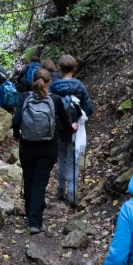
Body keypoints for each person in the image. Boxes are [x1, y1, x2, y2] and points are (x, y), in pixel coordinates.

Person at [12, 68, 76, 235]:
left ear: (33, 81)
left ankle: (30, 214)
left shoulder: (24, 97)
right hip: (48, 147)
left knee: (29, 179)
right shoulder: (54, 99)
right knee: (40, 182)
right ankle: (35, 222)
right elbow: (64, 121)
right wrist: (72, 128)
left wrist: (16, 136)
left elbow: (16, 120)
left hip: (27, 145)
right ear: (49, 82)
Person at [48, 54, 94, 207]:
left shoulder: (54, 86)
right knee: (72, 161)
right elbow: (89, 108)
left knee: (61, 158)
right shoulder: (79, 86)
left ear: (60, 69)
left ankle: (60, 191)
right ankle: (72, 194)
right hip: (75, 128)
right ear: (74, 68)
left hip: (60, 127)